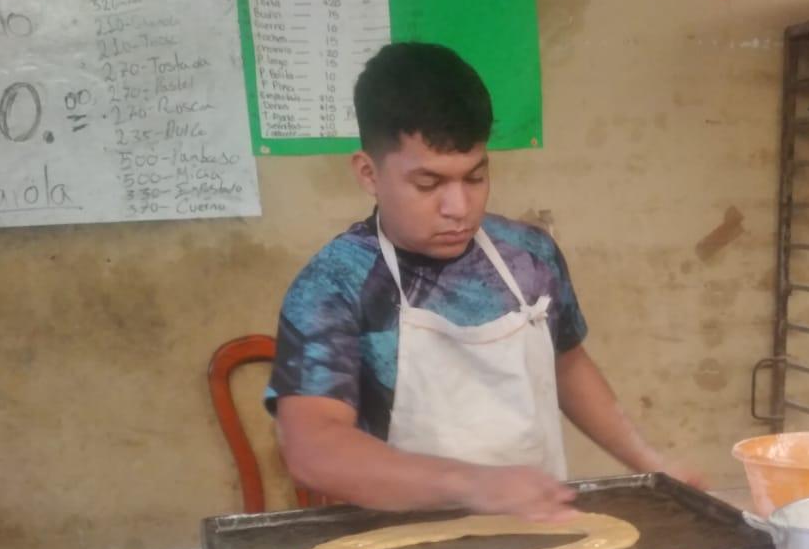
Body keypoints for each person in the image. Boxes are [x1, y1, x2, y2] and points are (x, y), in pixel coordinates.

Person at [266, 42, 693, 523]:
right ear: (368, 172)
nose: (459, 207)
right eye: (428, 184)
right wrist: (473, 484)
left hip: (541, 530)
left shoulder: (530, 256)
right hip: (404, 547)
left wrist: (651, 464)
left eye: (475, 177)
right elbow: (313, 448)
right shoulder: (333, 285)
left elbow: (567, 365)